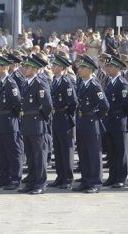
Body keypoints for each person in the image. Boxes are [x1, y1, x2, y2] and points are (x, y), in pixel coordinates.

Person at [73, 55, 109, 193]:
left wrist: (94, 117)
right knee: (84, 153)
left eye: (82, 67)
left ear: (90, 69)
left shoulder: (94, 84)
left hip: (91, 122)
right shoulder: (82, 82)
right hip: (82, 122)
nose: (79, 69)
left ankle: (95, 182)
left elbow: (104, 106)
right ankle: (86, 180)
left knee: (93, 154)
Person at [18, 56, 52, 195]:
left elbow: (47, 106)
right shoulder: (27, 83)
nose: (24, 69)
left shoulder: (40, 83)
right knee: (31, 156)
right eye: (24, 67)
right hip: (27, 123)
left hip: (37, 123)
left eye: (27, 67)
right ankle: (31, 182)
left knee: (39, 156)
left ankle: (40, 183)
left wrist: (40, 119)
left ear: (34, 69)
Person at [0, 54, 23, 190]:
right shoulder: (1, 82)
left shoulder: (11, 83)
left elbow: (17, 104)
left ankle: (15, 179)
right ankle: (4, 178)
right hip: (0, 120)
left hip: (9, 120)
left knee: (13, 151)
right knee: (2, 152)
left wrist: (12, 117)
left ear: (5, 67)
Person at [48, 54, 78, 189]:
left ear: (61, 67)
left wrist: (65, 113)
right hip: (56, 117)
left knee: (66, 150)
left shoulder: (66, 82)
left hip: (64, 118)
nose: (52, 67)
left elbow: (73, 103)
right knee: (58, 149)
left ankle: (68, 178)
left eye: (55, 65)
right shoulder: (55, 80)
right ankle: (60, 176)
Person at [103, 55, 128, 188]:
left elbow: (126, 104)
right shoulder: (110, 82)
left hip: (119, 120)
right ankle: (112, 177)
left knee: (121, 151)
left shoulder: (122, 83)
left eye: (110, 66)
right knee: (111, 151)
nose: (107, 68)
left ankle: (121, 178)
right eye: (107, 66)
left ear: (118, 68)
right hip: (110, 120)